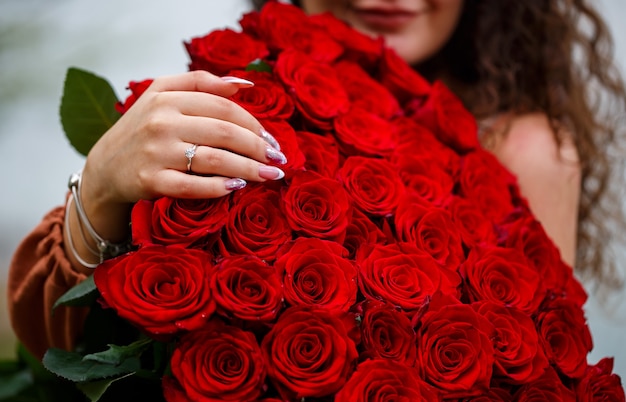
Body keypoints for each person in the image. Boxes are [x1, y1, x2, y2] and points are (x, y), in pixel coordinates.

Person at [7, 0, 626, 360]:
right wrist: (101, 186)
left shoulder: (523, 148)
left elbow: (539, 378)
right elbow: (55, 348)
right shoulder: (227, 98)